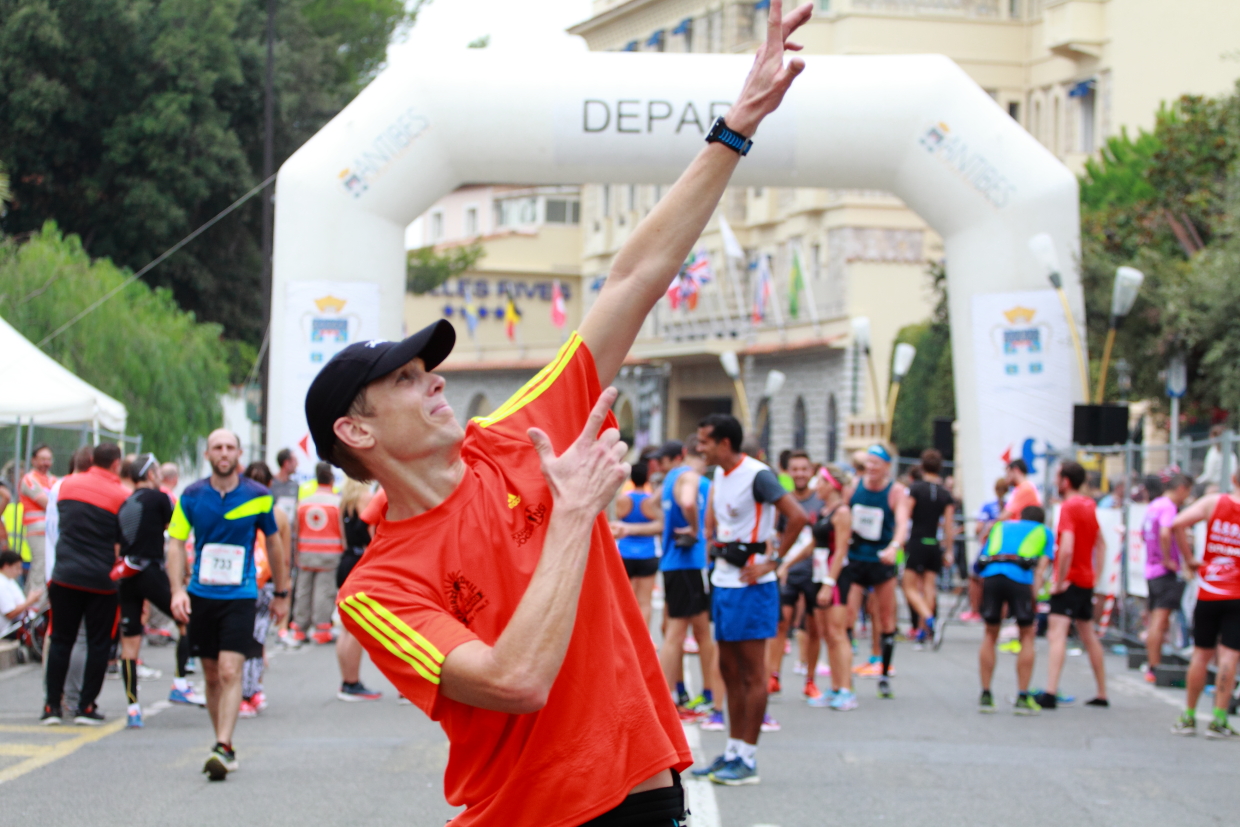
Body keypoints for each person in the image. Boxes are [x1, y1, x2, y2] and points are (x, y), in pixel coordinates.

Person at [319, 8, 809, 817]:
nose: (435, 381)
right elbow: (513, 681)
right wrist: (575, 512)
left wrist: (736, 126)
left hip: (644, 791)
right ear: (356, 432)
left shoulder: (519, 433)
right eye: (406, 379)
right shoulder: (377, 588)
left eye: (426, 368)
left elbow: (632, 278)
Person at [167, 430, 290, 780]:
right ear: (207, 453)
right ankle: (222, 742)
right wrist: (177, 590)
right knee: (210, 674)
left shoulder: (258, 496)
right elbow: (176, 543)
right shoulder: (191, 495)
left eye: (230, 447)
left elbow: (275, 543)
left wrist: (282, 593)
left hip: (241, 595)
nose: (224, 452)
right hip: (201, 594)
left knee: (229, 670)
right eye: (218, 447)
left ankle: (223, 744)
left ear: (239, 453)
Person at [695, 413, 807, 785]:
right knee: (728, 670)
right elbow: (716, 522)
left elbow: (798, 517)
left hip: (753, 586)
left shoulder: (757, 474)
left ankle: (749, 758)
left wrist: (773, 562)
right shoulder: (719, 476)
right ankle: (731, 750)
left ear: (724, 443)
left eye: (705, 441)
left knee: (752, 672)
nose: (700, 448)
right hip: (725, 581)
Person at [42, 442, 128, 725]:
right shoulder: (121, 496)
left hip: (64, 574)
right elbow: (122, 539)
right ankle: (86, 706)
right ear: (116, 464)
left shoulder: (66, 485)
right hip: (101, 579)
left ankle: (52, 705)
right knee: (98, 642)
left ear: (92, 460)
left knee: (61, 640)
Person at [117, 453, 192, 728]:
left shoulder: (124, 503)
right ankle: (180, 682)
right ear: (150, 474)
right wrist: (182, 573)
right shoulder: (160, 498)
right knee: (185, 619)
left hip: (127, 573)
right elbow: (175, 536)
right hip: (150, 569)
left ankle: (133, 707)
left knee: (130, 643)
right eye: (157, 471)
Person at [1169, 468, 1240, 738]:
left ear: (1233, 478)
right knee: (1230, 655)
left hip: (1208, 589)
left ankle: (1188, 716)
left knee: (1201, 652)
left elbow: (1177, 523)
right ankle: (1218, 719)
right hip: (1237, 594)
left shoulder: (1214, 502)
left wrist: (1188, 559)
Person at [1036, 461, 1108, 710]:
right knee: (1088, 635)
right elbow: (1101, 542)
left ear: (1065, 481)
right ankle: (1102, 692)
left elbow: (1066, 547)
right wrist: (1096, 573)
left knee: (1057, 634)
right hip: (1085, 579)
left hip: (1071, 580)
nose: (1056, 482)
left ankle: (1050, 692)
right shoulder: (1089, 505)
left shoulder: (1069, 507)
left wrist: (1059, 581)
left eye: (1057, 478)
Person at [656, 438, 719, 721]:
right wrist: (695, 529)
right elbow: (688, 502)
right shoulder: (692, 477)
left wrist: (663, 530)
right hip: (688, 563)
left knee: (692, 631)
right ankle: (667, 700)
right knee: (678, 634)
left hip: (675, 563)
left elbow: (650, 507)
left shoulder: (672, 477)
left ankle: (695, 693)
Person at [784, 466, 856, 710]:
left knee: (837, 634)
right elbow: (812, 546)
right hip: (819, 573)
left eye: (821, 481)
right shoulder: (825, 511)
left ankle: (846, 689)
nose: (816, 486)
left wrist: (829, 583)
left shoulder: (842, 512)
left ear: (831, 485)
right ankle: (835, 687)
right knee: (827, 634)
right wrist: (786, 564)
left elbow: (841, 551)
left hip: (833, 578)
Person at [843, 444, 909, 700]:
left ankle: (883, 672)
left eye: (876, 463)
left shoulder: (895, 492)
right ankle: (845, 671)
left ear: (886, 467)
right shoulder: (854, 487)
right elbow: (843, 513)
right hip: (856, 558)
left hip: (882, 561)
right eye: (868, 463)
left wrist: (894, 546)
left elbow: (902, 523)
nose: (871, 468)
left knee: (884, 617)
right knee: (848, 615)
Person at [976, 505, 1054, 714]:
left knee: (990, 633)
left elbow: (982, 556)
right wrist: (1035, 596)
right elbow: (1041, 569)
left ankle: (985, 694)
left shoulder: (1001, 526)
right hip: (1019, 578)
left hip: (992, 575)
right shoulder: (1044, 532)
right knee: (1027, 634)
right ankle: (1022, 696)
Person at [769, 450, 824, 700]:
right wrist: (777, 563)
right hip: (788, 572)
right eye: (795, 469)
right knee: (781, 624)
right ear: (788, 472)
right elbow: (776, 535)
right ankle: (774, 676)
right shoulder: (784, 501)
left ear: (811, 471)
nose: (800, 473)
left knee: (813, 628)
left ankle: (810, 680)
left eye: (804, 468)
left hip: (815, 572)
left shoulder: (820, 501)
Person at [239, 461, 292, 716]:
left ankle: (242, 691)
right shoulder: (278, 514)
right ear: (271, 484)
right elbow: (284, 555)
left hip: (240, 581)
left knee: (237, 639)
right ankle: (252, 690)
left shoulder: (237, 508)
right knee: (257, 640)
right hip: (268, 582)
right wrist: (284, 588)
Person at [334, 479, 382, 701]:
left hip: (346, 560)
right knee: (355, 627)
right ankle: (352, 682)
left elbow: (344, 536)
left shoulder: (345, 501)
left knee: (346, 627)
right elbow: (370, 530)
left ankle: (347, 680)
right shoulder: (365, 499)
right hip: (360, 560)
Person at [902, 448, 956, 645]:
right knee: (929, 586)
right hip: (933, 542)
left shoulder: (916, 488)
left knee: (908, 586)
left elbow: (906, 514)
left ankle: (927, 618)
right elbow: (949, 526)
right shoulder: (945, 494)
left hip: (917, 541)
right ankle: (925, 631)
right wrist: (949, 550)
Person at [1142, 474, 1192, 681]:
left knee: (1155, 618)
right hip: (1164, 572)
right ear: (1181, 488)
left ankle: (1153, 664)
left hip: (1151, 570)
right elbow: (1165, 533)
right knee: (1160, 621)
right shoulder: (1168, 507)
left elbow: (1143, 534)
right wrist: (1167, 559)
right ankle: (1154, 666)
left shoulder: (1154, 505)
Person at [293, 462, 345, 645]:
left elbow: (295, 530)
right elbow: (342, 531)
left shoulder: (304, 502)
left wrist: (295, 553)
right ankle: (322, 629)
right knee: (324, 592)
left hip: (305, 552)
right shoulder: (337, 503)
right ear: (330, 478)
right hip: (330, 554)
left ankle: (299, 628)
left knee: (303, 590)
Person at [610, 462, 663, 630]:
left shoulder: (622, 499)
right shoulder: (651, 500)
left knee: (624, 598)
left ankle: (626, 636)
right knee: (644, 602)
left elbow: (618, 520)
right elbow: (659, 524)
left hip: (624, 553)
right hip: (648, 553)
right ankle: (644, 638)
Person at [966, 478, 1010, 622]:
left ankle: (975, 611)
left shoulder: (988, 506)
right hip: (1008, 549)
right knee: (1004, 579)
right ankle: (1001, 616)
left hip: (989, 548)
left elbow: (978, 528)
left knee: (975, 575)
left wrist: (982, 533)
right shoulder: (1011, 507)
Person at [20, 444, 56, 595]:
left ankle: (32, 605)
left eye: (48, 459)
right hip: (37, 531)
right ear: (33, 460)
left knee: (46, 568)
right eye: (42, 459)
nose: (45, 463)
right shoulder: (29, 479)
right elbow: (47, 503)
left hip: (52, 532)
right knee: (40, 567)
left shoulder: (52, 480)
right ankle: (33, 608)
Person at [1, 550, 42, 639]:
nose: (19, 572)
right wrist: (30, 601)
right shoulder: (1, 583)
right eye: (17, 568)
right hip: (10, 629)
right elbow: (10, 613)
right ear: (6, 566)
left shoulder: (8, 580)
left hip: (22, 622)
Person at [1195, 424, 1238, 494]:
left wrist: (1196, 481)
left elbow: (1209, 475)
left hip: (1224, 487)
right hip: (1217, 485)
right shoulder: (1214, 451)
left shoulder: (1229, 455)